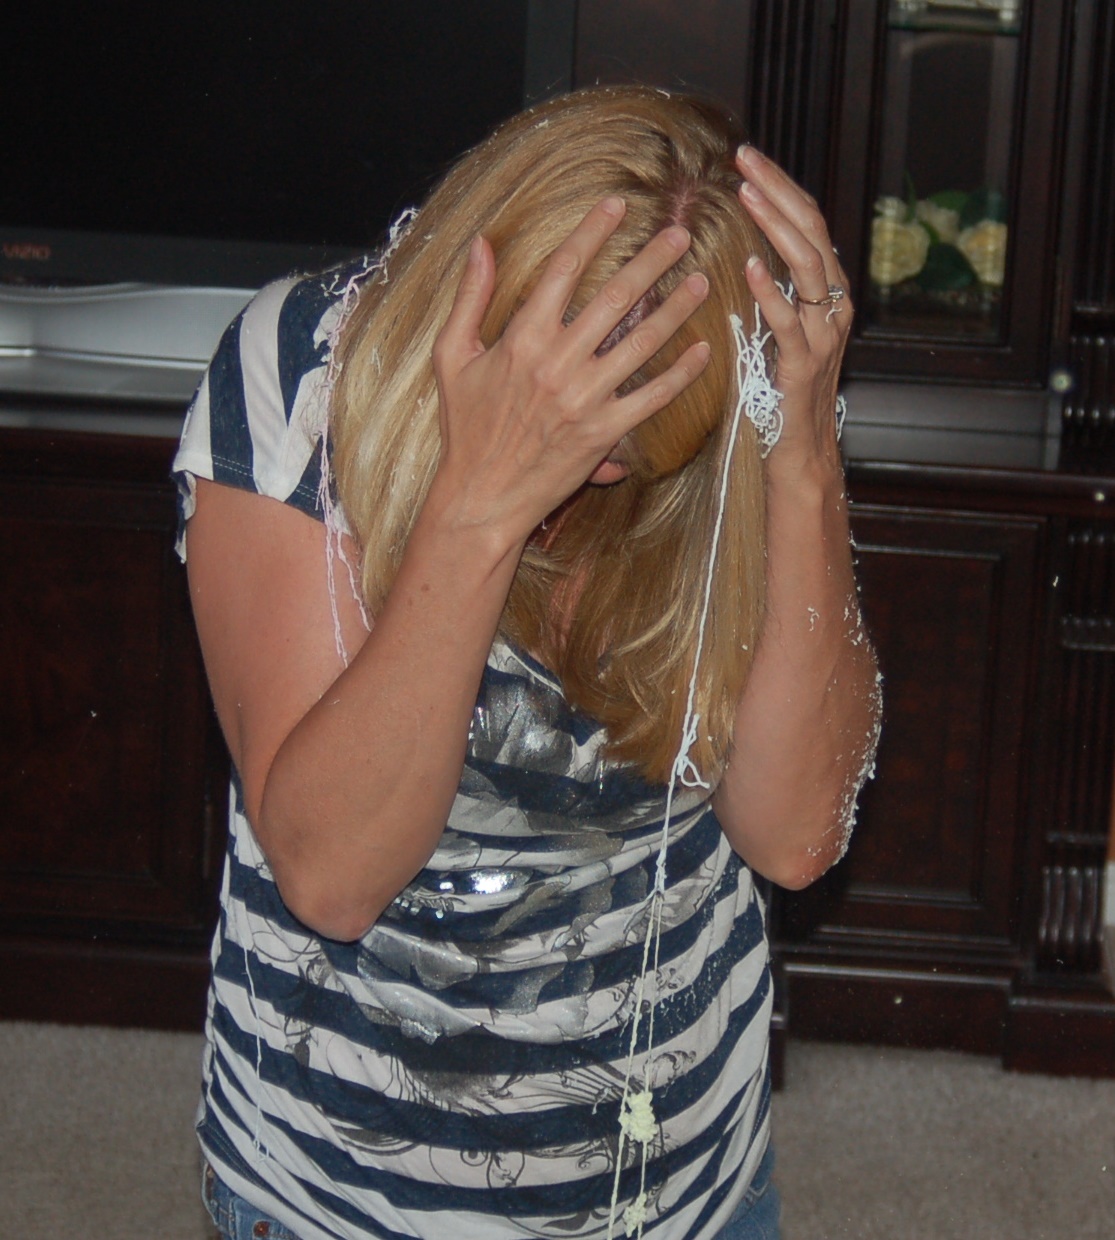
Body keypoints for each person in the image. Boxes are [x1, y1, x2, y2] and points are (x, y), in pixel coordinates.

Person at [174, 86, 880, 1240]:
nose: (599, 470)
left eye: (641, 447)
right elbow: (332, 875)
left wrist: (799, 448)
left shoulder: (745, 402)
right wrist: (480, 503)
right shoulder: (299, 375)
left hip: (685, 1193)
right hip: (337, 1204)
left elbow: (797, 836)